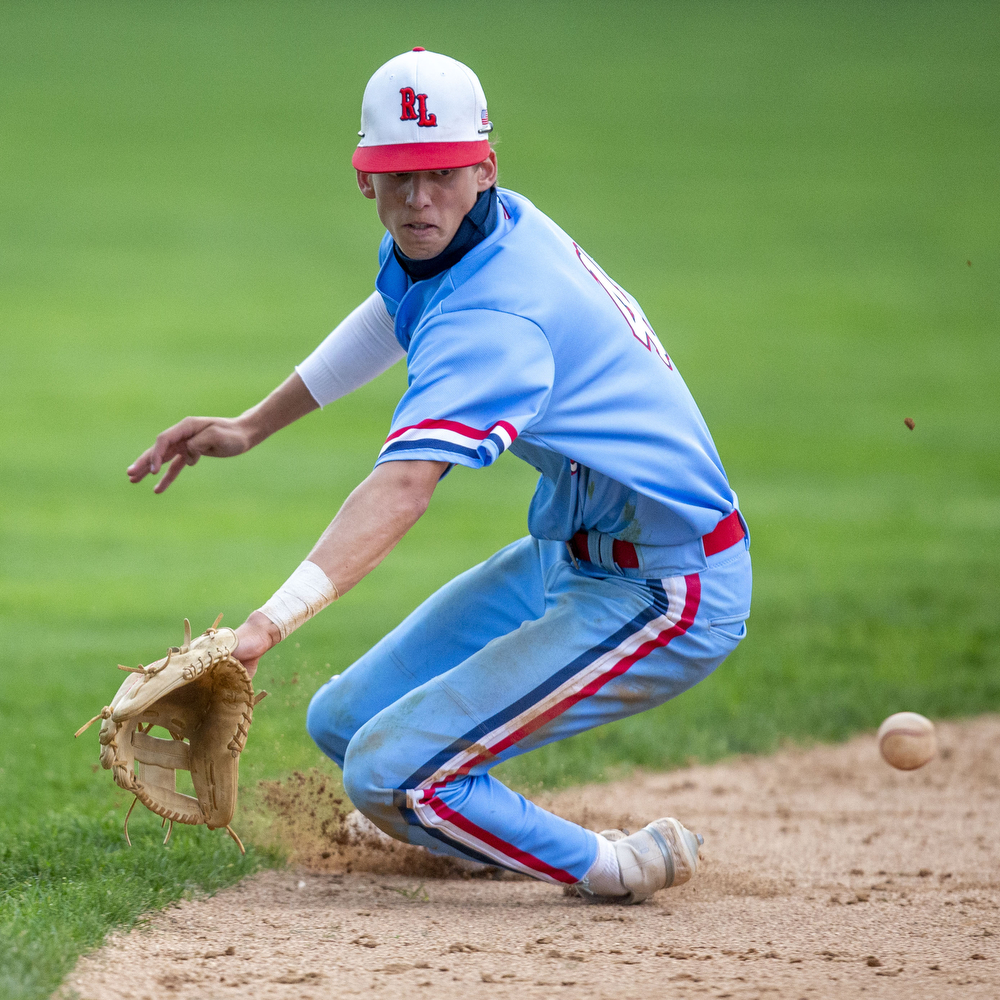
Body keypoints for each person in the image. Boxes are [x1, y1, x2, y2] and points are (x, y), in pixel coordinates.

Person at [127, 48, 751, 904]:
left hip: (671, 591)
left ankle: (617, 866)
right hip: (570, 559)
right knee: (341, 725)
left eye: (445, 174)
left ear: (485, 168)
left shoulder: (500, 316)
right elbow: (392, 310)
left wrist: (266, 627)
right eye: (400, 176)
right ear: (364, 179)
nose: (421, 200)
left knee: (392, 776)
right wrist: (250, 426)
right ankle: (462, 823)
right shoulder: (473, 234)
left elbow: (403, 487)